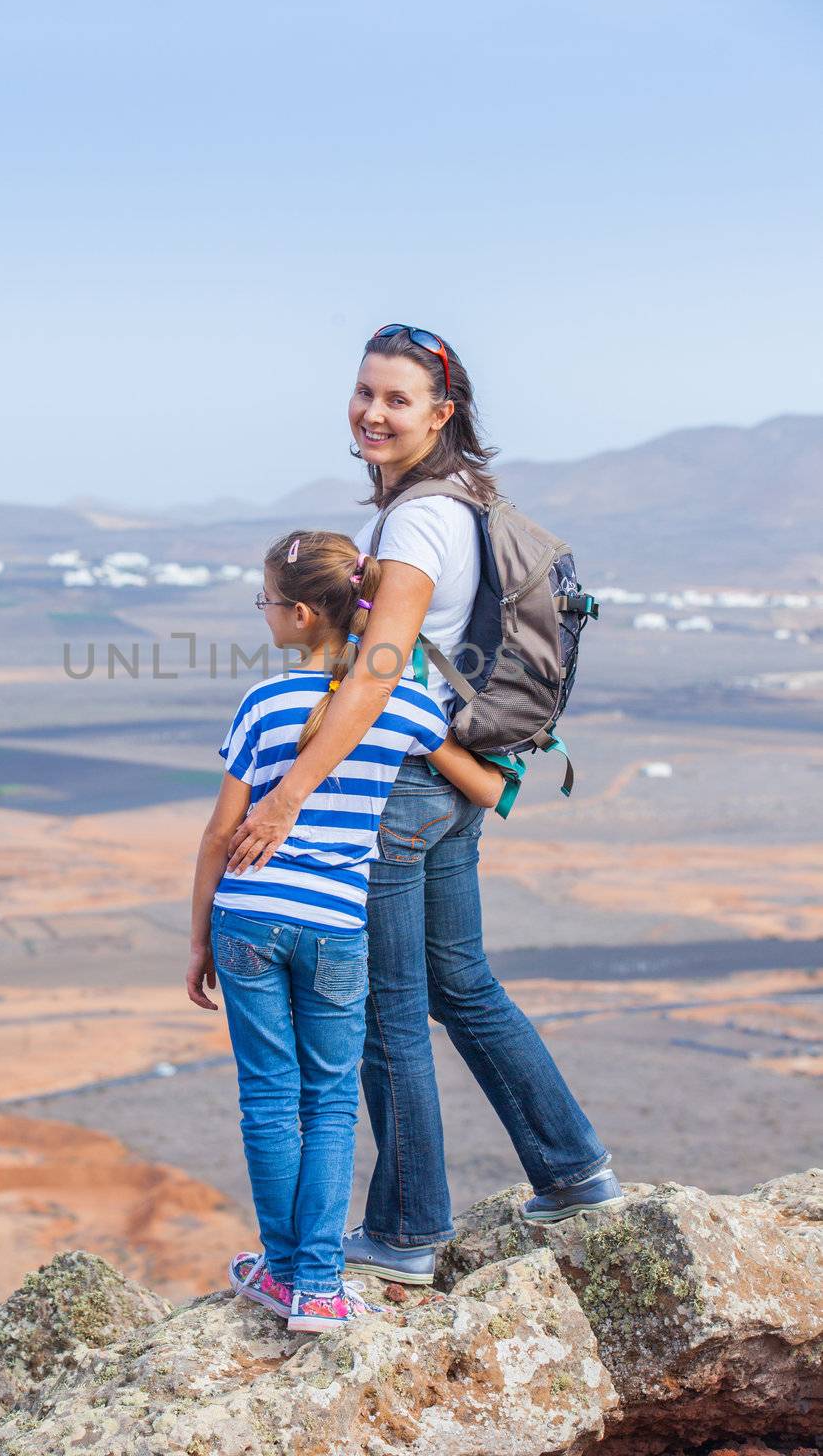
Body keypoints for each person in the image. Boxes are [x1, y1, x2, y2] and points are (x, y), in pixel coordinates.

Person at [226, 324, 623, 1289]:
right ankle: (574, 1173)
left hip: (401, 793)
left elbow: (375, 668)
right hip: (448, 779)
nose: (371, 411)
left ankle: (406, 1231)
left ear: (439, 413)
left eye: (396, 399)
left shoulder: (412, 524)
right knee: (461, 986)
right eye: (364, 391)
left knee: (387, 1016)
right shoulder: (461, 501)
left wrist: (285, 797)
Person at [187, 528, 503, 1332]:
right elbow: (482, 787)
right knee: (329, 1102)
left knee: (267, 1100)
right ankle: (319, 1287)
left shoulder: (263, 702)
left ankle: (283, 1270)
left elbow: (219, 835)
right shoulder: (403, 703)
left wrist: (197, 941)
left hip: (248, 916)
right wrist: (496, 769)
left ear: (298, 614)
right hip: (335, 923)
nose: (261, 614)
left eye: (263, 602)